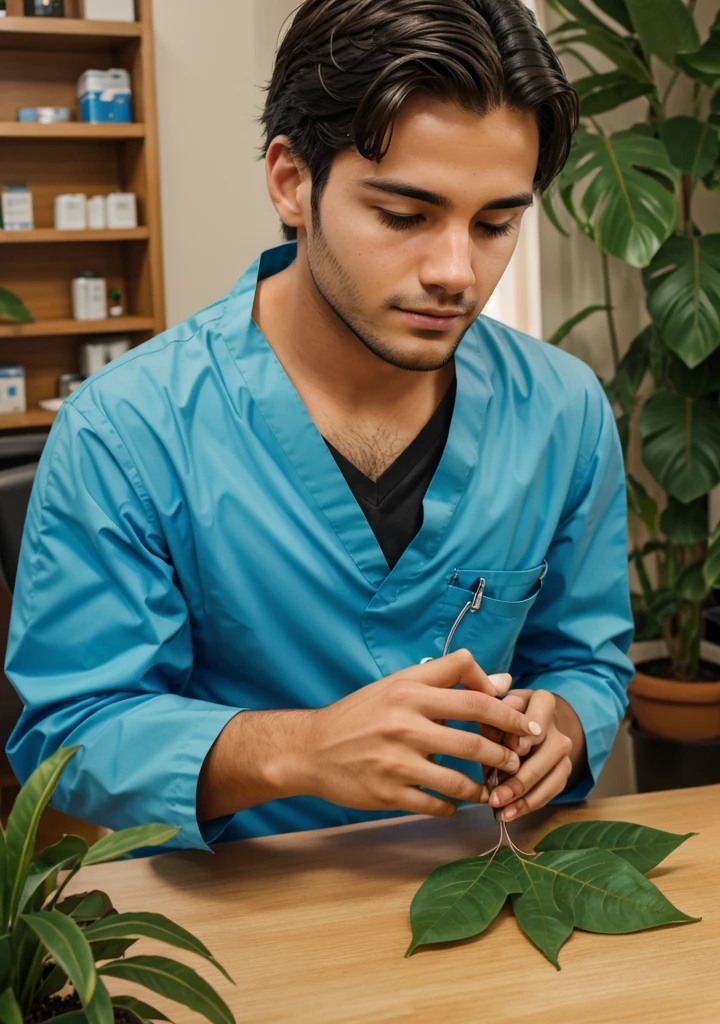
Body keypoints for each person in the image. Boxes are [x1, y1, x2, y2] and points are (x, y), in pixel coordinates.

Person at [5, 0, 634, 853]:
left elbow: (586, 659)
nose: (456, 272)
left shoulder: (564, 412)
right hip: (234, 922)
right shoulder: (125, 431)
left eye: (496, 224)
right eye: (405, 216)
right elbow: (71, 735)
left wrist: (560, 719)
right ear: (292, 182)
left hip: (482, 890)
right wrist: (298, 750)